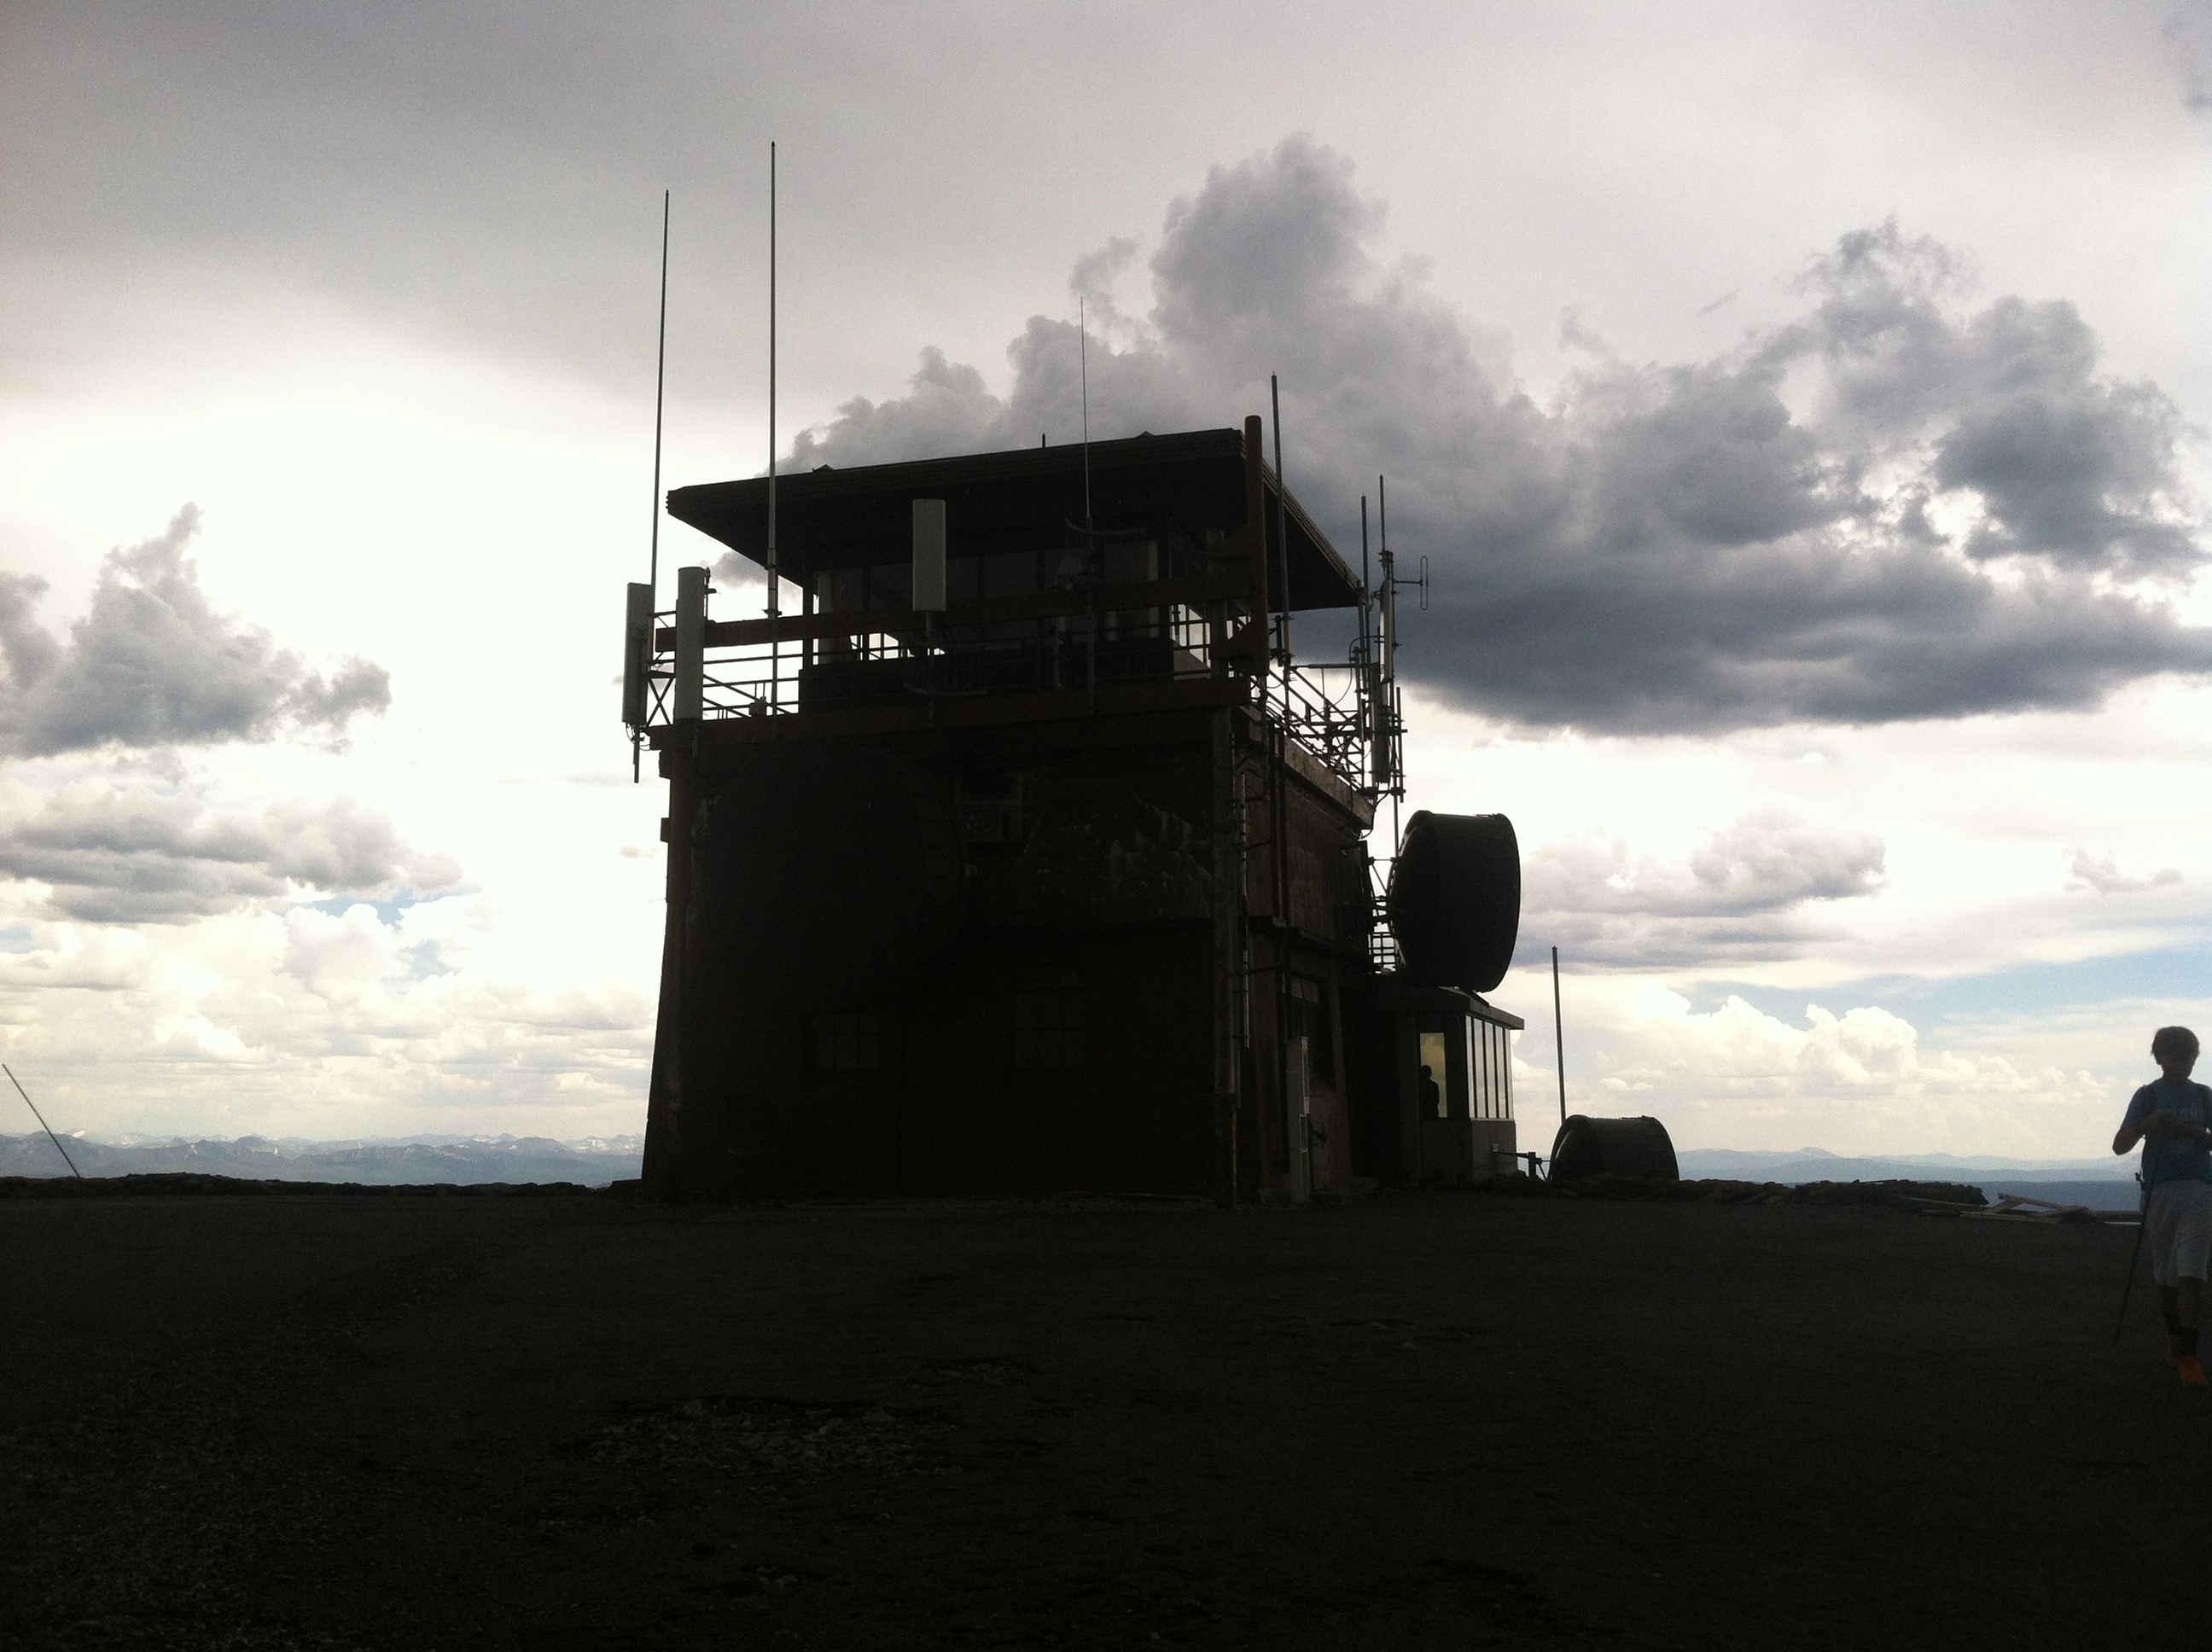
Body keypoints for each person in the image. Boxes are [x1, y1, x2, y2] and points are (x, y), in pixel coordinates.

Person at [2112, 1026, 2212, 1386]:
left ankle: (2188, 1355)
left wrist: (2189, 1132)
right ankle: (2176, 1340)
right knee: (2167, 1274)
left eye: (2187, 1058)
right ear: (2160, 1059)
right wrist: (2146, 1125)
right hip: (2160, 1190)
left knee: (2191, 1270)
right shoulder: (2147, 1097)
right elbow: (2119, 1146)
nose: (2181, 1064)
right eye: (2175, 1058)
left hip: (2200, 1189)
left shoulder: (2205, 1096)